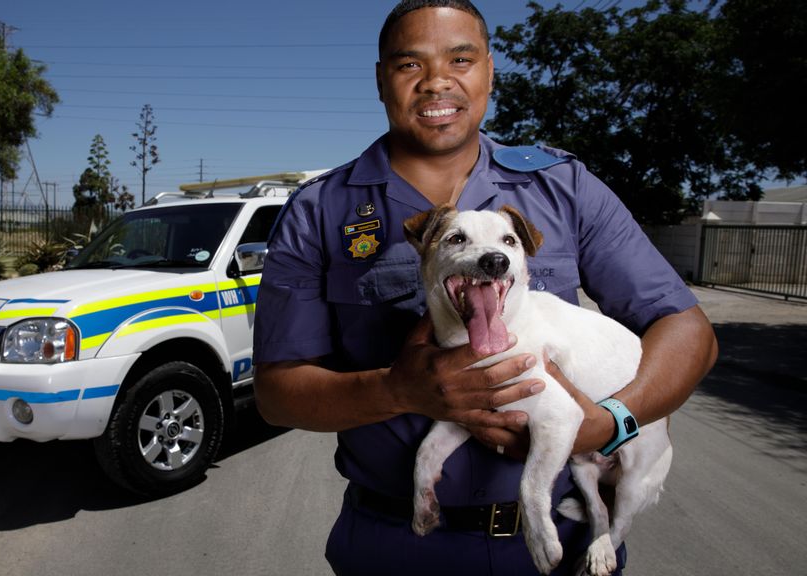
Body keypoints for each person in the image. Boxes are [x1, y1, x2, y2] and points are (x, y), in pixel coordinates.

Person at [252, 1, 718, 574]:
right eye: (409, 64)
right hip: (397, 543)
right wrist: (400, 391)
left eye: (461, 58)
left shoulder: (563, 186)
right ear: (380, 79)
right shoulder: (320, 209)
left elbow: (687, 330)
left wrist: (610, 421)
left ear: (490, 72)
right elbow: (276, 395)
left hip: (558, 542)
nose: (437, 81)